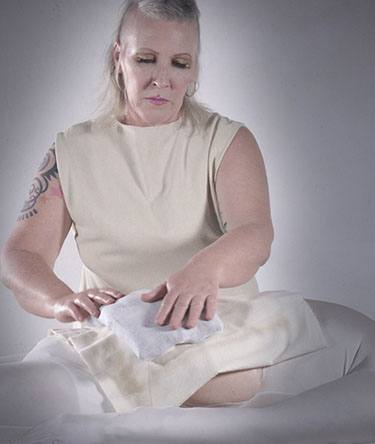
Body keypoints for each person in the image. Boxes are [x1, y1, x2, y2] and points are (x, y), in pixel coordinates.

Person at [0, 1, 374, 443]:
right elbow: (21, 255)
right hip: (117, 338)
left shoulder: (227, 140)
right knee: (22, 398)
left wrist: (203, 271)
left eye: (180, 63)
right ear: (118, 56)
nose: (163, 79)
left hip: (227, 328)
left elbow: (255, 231)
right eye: (146, 59)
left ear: (194, 70)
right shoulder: (71, 151)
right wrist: (60, 300)